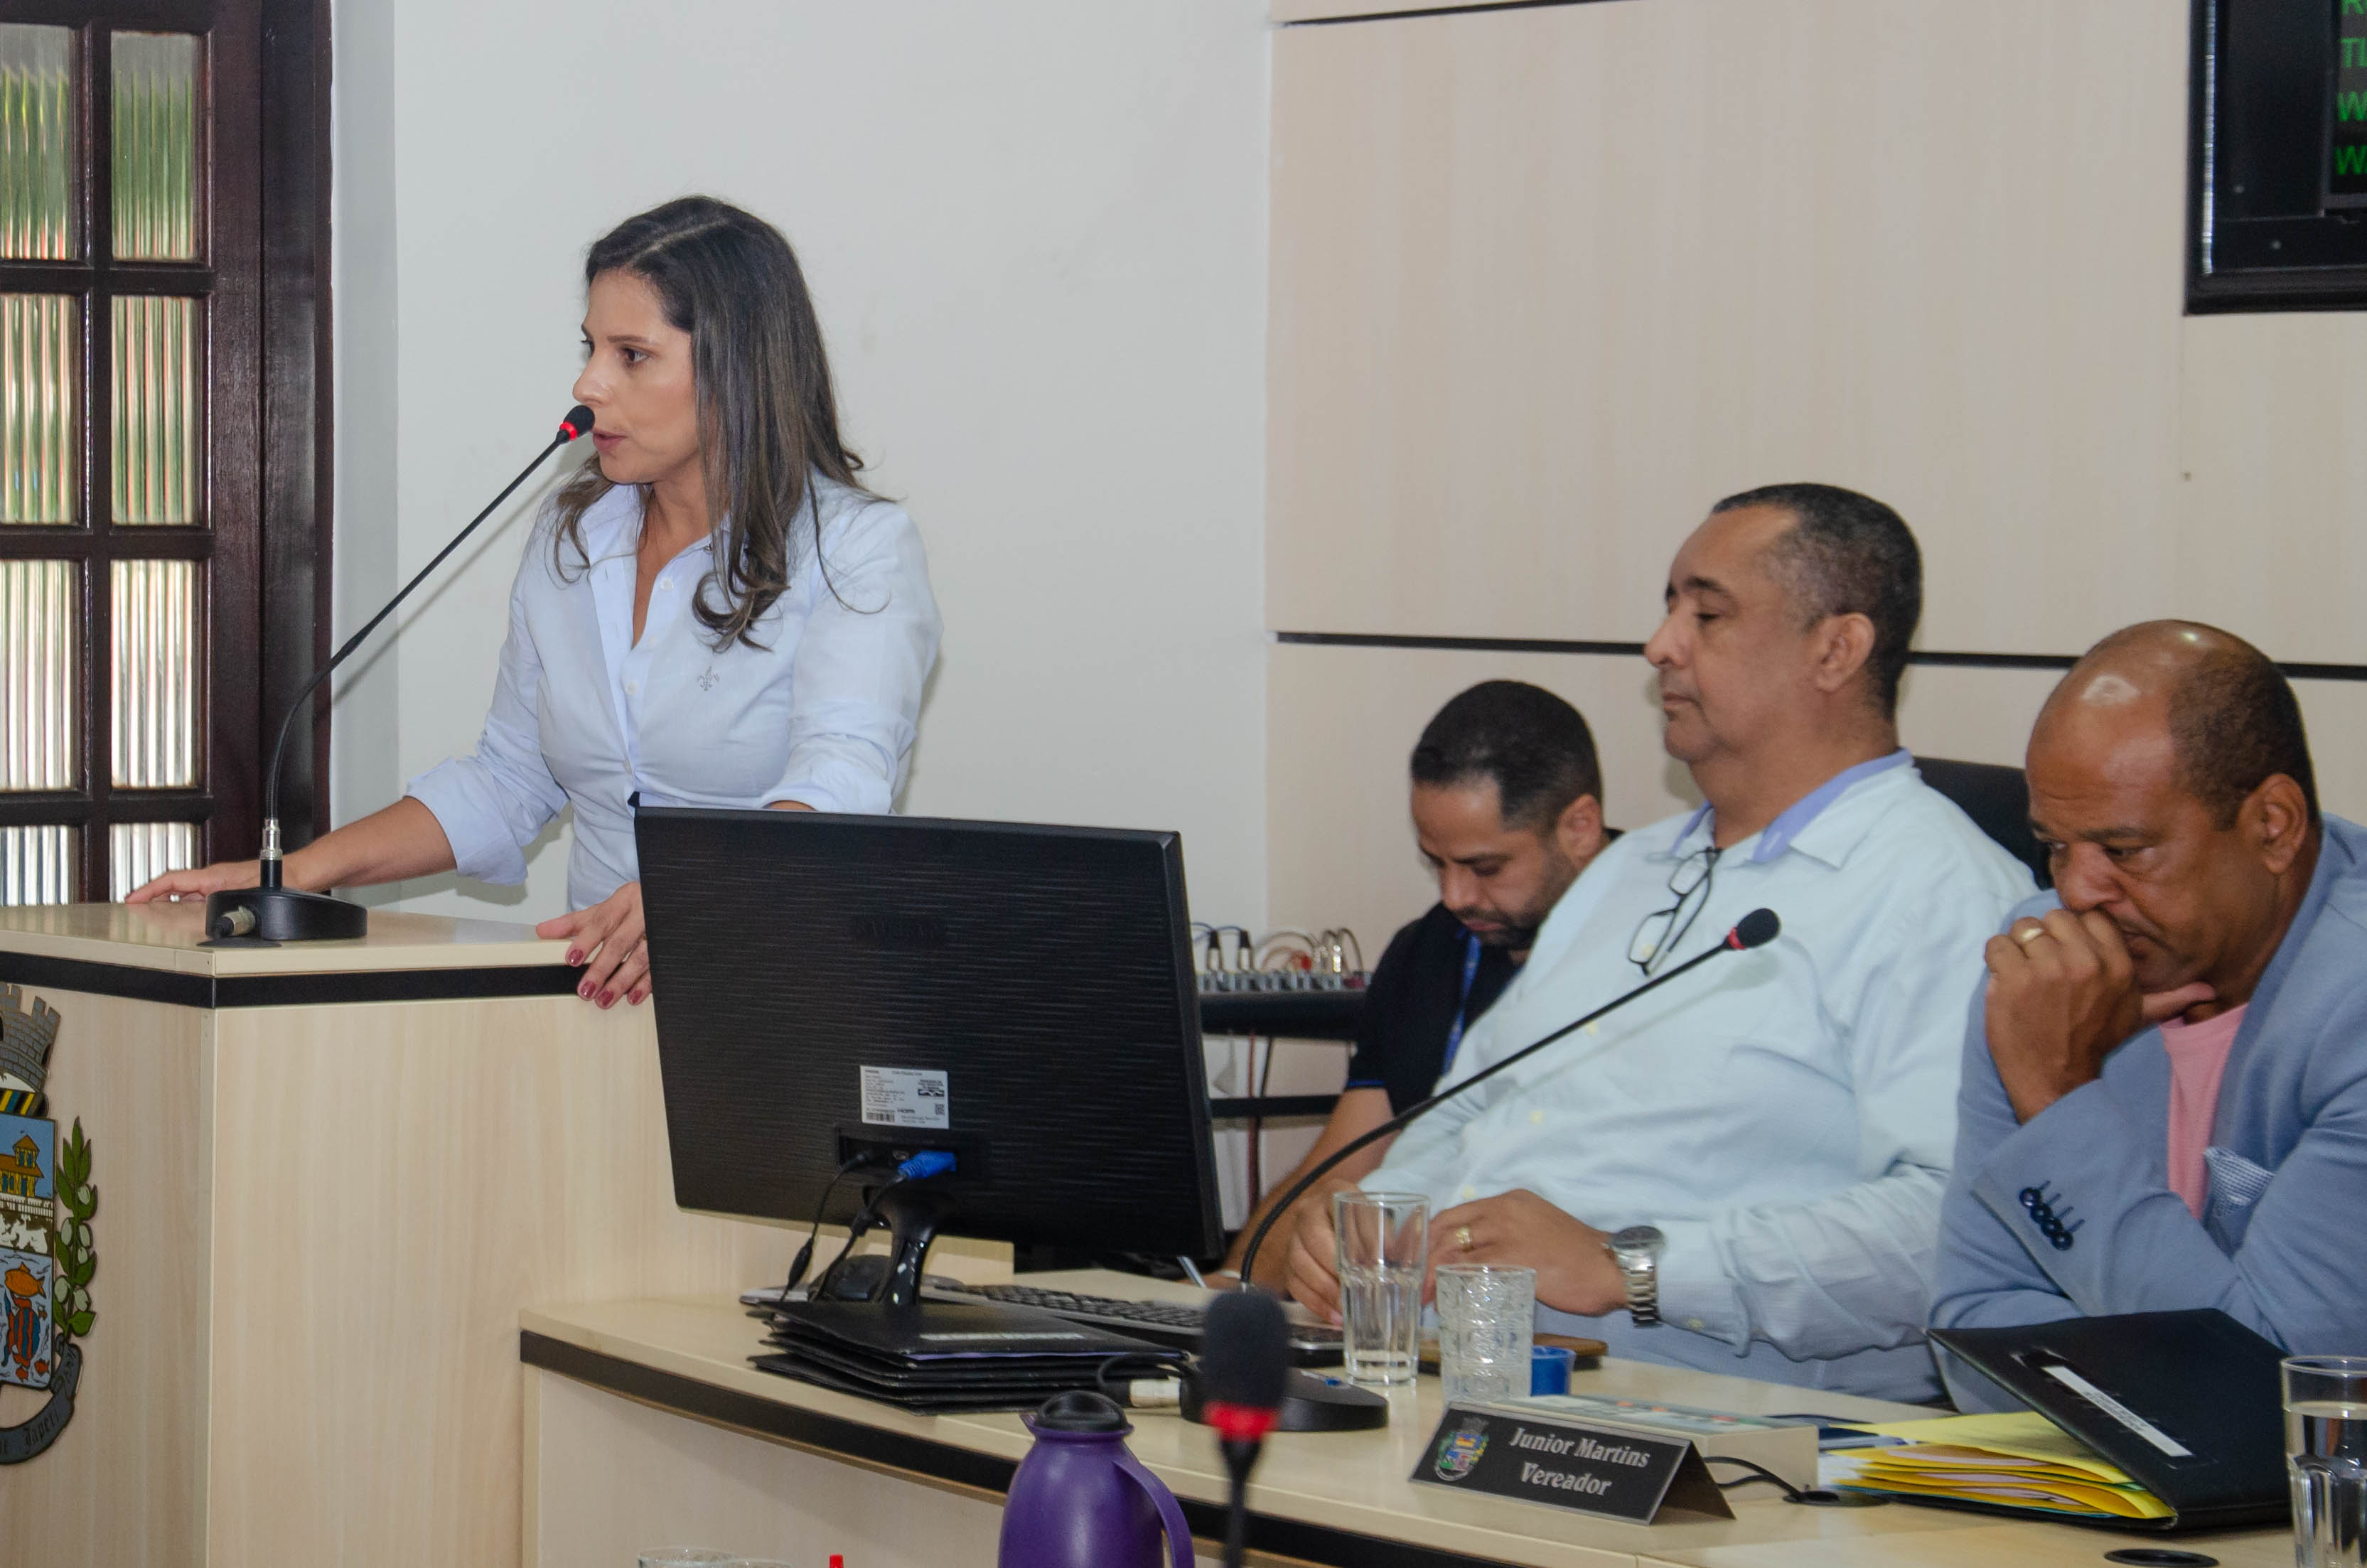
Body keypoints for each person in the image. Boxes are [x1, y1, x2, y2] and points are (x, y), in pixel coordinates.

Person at [1280, 483, 2034, 1401]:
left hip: (1713, 1431)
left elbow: (1958, 1225)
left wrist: (1632, 1266)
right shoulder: (1627, 869)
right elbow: (1470, 1110)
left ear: (1835, 649)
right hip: (1450, 1377)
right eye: (1668, 606)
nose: (1660, 645)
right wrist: (1374, 1219)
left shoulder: (1938, 893)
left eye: (1706, 614)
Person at [130, 197, 942, 1008]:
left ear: (739, 368)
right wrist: (289, 877)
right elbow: (509, 780)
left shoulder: (856, 549)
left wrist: (691, 893)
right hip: (597, 1008)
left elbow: (841, 778)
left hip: (783, 999)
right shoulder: (574, 538)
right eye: (592, 347)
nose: (589, 384)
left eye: (632, 355)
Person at [1929, 623, 2367, 1409]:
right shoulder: (2047, 965)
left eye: (2123, 851)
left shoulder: (2353, 1005)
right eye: (2055, 846)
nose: (2077, 891)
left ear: (2273, 826)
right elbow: (1973, 1339)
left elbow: (2280, 1396)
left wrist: (2058, 1099)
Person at [1220, 680, 1611, 1288]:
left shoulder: (1670, 946)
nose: (1454, 896)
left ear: (1580, 828)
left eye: (1485, 867)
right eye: (1437, 863)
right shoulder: (1427, 950)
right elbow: (1342, 1167)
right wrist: (1229, 1289)